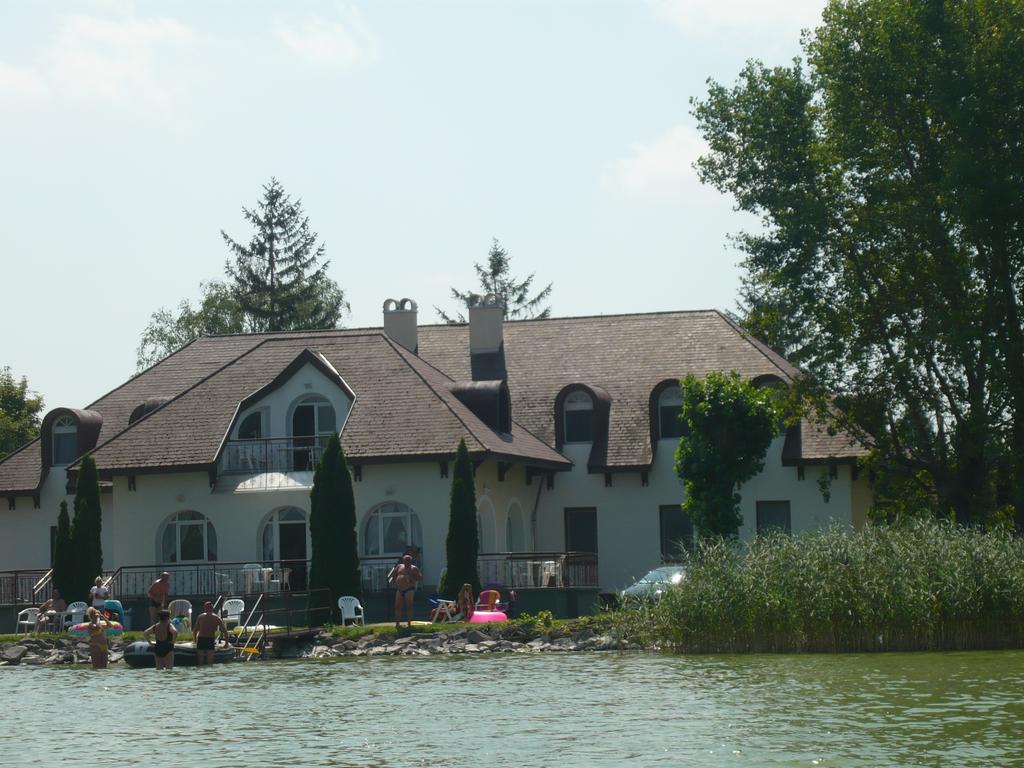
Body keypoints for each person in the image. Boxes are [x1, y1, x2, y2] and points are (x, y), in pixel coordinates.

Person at [387, 554, 422, 629]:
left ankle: (409, 623)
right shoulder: (400, 566)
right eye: (405, 560)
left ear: (410, 561)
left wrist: (411, 578)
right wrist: (392, 580)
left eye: (408, 561)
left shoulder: (414, 568)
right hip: (399, 589)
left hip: (409, 589)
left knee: (409, 606)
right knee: (397, 606)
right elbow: (394, 574)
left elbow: (419, 577)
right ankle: (397, 624)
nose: (406, 562)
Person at [192, 601, 228, 666]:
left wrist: (194, 641)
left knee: (200, 662)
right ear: (212, 608)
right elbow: (225, 631)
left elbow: (195, 630)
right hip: (210, 639)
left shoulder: (200, 617)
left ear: (205, 608)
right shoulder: (216, 618)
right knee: (210, 663)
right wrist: (226, 643)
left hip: (201, 639)